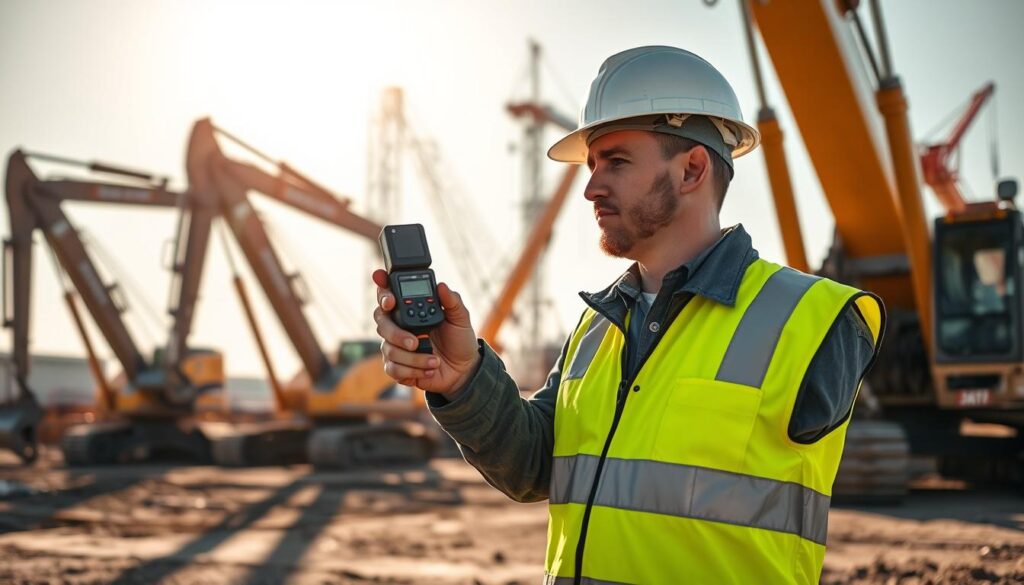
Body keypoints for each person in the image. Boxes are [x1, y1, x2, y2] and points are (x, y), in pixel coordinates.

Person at [372, 46, 885, 584]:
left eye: (616, 162)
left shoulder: (814, 320)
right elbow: (534, 467)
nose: (591, 187)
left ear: (691, 170)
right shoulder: (598, 326)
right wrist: (464, 377)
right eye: (592, 165)